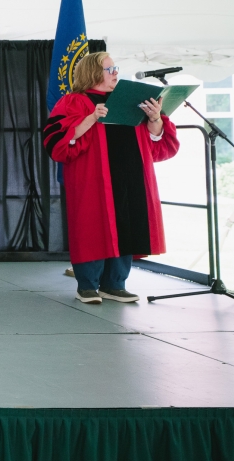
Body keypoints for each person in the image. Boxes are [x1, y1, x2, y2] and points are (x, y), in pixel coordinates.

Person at [43, 52, 178, 303]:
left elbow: (158, 146)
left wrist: (155, 118)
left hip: (131, 176)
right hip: (93, 178)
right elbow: (59, 143)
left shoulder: (130, 101)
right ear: (92, 73)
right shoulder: (74, 102)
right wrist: (91, 117)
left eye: (115, 68)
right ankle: (87, 285)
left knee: (126, 221)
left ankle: (115, 284)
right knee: (92, 225)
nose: (115, 72)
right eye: (109, 69)